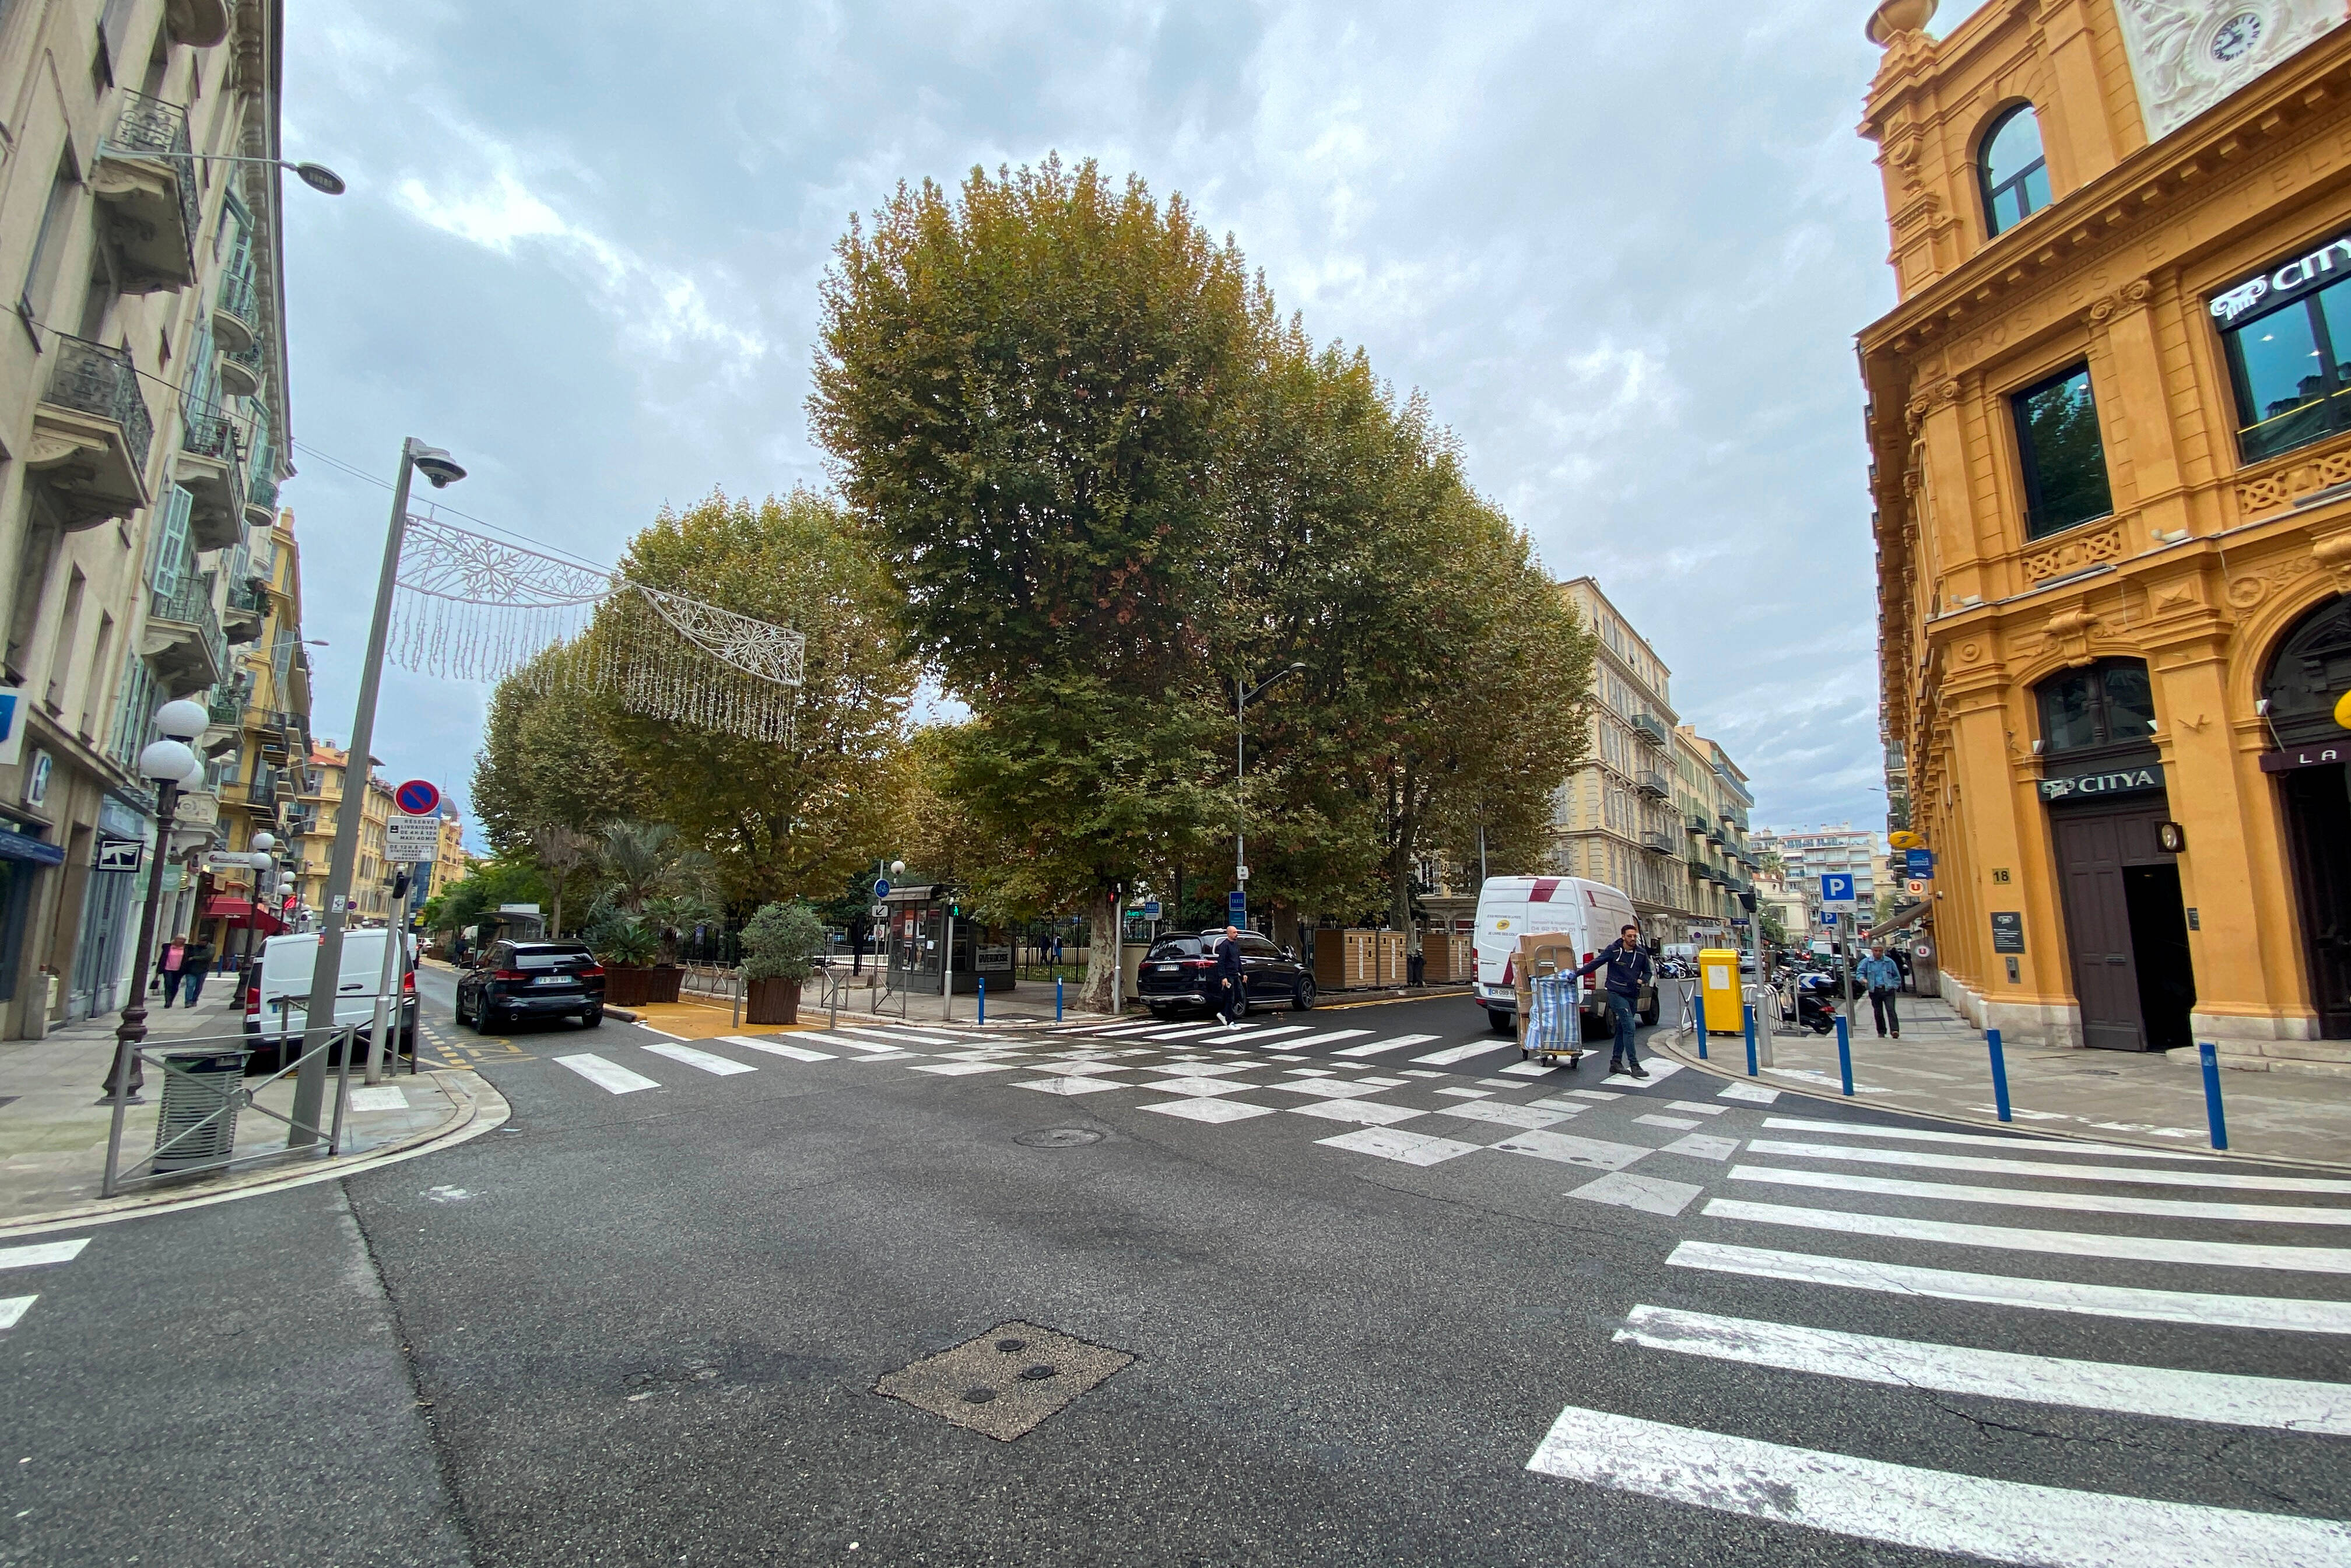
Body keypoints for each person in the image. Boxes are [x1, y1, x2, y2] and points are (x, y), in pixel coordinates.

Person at [1572, 924, 1654, 1078]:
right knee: (1630, 1026)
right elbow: (1596, 963)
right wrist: (1577, 974)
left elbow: (1648, 972)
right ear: (1623, 936)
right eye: (1630, 936)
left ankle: (1616, 1062)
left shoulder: (1641, 954)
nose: (1633, 939)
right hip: (1616, 993)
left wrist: (1642, 980)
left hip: (1632, 995)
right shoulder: (1614, 951)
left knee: (1623, 1028)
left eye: (1635, 936)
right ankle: (1635, 1065)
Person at [1858, 946, 1902, 1039]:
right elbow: (1860, 973)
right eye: (1876, 951)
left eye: (1880, 951)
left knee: (1891, 1010)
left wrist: (1894, 986)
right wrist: (1863, 980)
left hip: (1888, 989)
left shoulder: (1889, 962)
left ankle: (1895, 1030)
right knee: (1878, 1012)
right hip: (1875, 990)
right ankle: (1881, 1031)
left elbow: (1897, 976)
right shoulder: (1867, 962)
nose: (1878, 953)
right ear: (1872, 951)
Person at [1213, 925, 1245, 1028]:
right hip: (1228, 975)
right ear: (1229, 934)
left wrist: (1243, 973)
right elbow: (1221, 962)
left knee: (1239, 997)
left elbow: (1238, 960)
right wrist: (1223, 977)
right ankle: (1229, 1021)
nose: (1237, 934)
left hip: (1236, 975)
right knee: (1230, 998)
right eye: (1234, 932)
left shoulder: (1235, 945)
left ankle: (1223, 1014)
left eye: (1237, 932)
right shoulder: (1225, 946)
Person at [180, 938, 215, 1005]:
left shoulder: (211, 948)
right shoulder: (193, 947)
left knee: (198, 986)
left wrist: (194, 958)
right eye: (199, 941)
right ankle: (188, 1001)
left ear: (206, 942)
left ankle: (194, 1000)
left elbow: (208, 957)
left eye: (202, 941)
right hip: (191, 970)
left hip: (203, 970)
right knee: (190, 985)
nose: (200, 942)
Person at [157, 940, 185, 1008]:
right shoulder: (168, 947)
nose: (180, 941)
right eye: (179, 939)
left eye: (182, 940)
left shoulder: (185, 949)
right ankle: (167, 1002)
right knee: (168, 984)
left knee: (175, 985)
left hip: (179, 970)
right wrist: (159, 969)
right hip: (168, 969)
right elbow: (162, 958)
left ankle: (171, 1000)